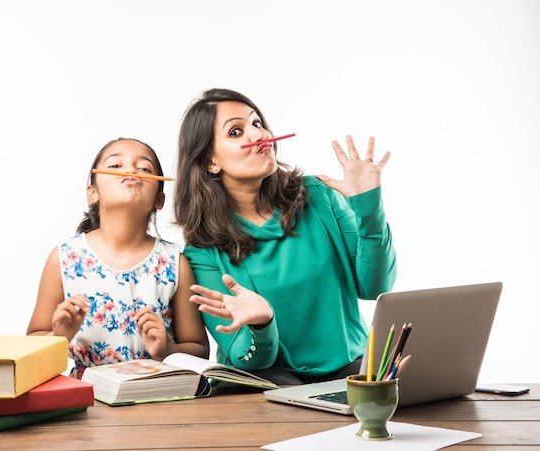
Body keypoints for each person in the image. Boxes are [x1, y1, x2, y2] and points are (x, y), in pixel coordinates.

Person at [173, 88, 397, 385]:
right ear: (211, 162)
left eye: (256, 123)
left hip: (351, 368)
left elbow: (374, 286)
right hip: (265, 379)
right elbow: (245, 358)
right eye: (236, 131)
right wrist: (263, 323)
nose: (257, 135)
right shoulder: (202, 252)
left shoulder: (320, 196)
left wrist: (368, 208)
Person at [27, 138, 209, 378]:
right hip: (88, 400)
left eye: (144, 169)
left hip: (157, 396)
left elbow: (200, 350)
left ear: (159, 200)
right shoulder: (64, 257)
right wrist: (59, 336)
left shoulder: (175, 262)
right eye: (115, 166)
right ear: (93, 193)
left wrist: (167, 350)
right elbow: (32, 343)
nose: (131, 171)